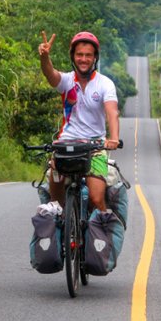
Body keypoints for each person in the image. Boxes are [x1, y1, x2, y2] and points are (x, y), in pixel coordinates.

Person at [37, 30, 120, 212]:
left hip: (95, 147)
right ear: (73, 57)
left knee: (96, 200)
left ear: (95, 58)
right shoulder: (66, 81)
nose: (84, 59)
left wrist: (113, 139)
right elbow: (50, 74)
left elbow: (112, 112)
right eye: (80, 55)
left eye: (88, 55)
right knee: (55, 203)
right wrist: (44, 57)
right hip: (66, 144)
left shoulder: (105, 84)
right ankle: (59, 225)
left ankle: (99, 234)